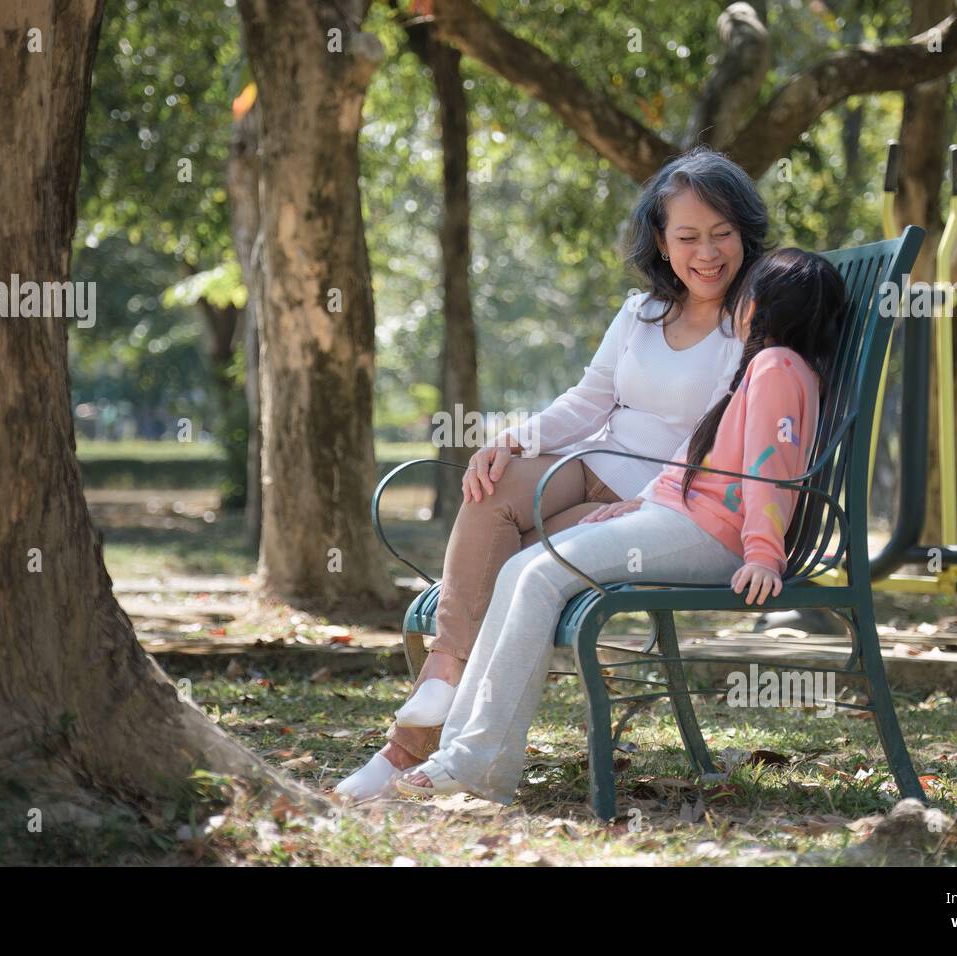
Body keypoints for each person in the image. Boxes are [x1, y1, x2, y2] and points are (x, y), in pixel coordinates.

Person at [335, 146, 770, 801]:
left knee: (517, 571)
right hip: (591, 465)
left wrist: (648, 500)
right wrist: (511, 440)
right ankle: (442, 677)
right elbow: (588, 402)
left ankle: (411, 755)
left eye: (722, 234)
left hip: (661, 505)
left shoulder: (753, 323)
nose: (706, 253)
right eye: (687, 237)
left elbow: (732, 439)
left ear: (745, 233)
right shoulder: (641, 315)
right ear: (661, 240)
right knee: (491, 491)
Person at [391, 248, 847, 805]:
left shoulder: (776, 366)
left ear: (759, 306)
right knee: (522, 568)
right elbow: (700, 459)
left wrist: (762, 552)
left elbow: (769, 469)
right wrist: (644, 502)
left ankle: (475, 763)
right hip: (678, 517)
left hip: (714, 535)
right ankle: (464, 755)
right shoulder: (764, 366)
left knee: (539, 574)